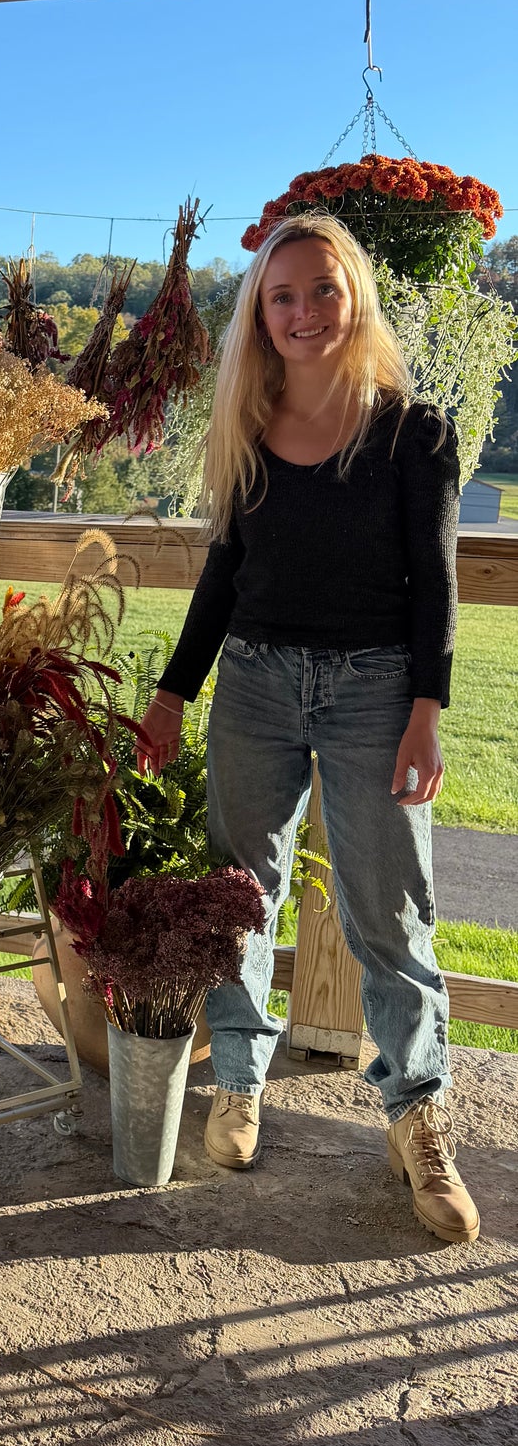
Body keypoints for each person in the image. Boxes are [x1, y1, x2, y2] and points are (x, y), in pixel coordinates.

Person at [138, 210, 478, 1244]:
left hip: (377, 686)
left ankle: (415, 1115)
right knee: (240, 892)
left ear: (354, 298)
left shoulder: (411, 432)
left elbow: (435, 586)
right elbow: (222, 574)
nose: (301, 312)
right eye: (279, 297)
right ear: (259, 315)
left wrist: (426, 711)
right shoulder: (245, 424)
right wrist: (170, 690)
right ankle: (237, 1082)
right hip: (251, 681)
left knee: (388, 906)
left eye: (320, 290)